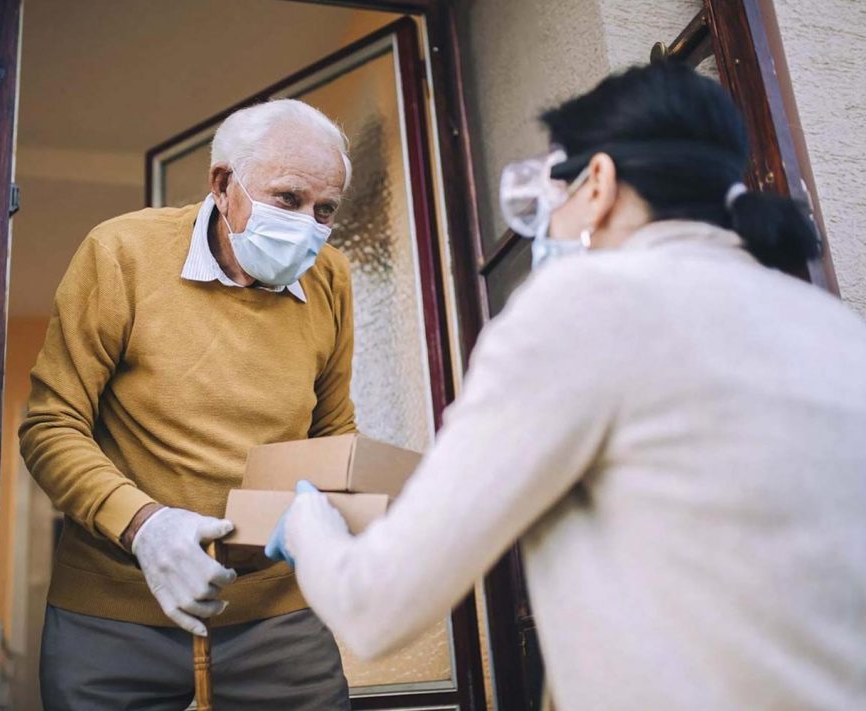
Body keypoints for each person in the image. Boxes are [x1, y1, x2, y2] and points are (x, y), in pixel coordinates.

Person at [266, 62, 866, 710]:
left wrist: (305, 522)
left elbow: (374, 605)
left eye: (551, 194)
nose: (545, 225)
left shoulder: (585, 302)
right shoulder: (833, 324)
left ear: (599, 181)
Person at [19, 99, 357, 710]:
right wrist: (146, 525)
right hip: (113, 614)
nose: (308, 224)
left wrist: (338, 527)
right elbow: (51, 425)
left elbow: (332, 433)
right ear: (224, 184)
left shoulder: (330, 277)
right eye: (288, 199)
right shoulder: (121, 252)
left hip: (279, 618)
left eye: (325, 209)